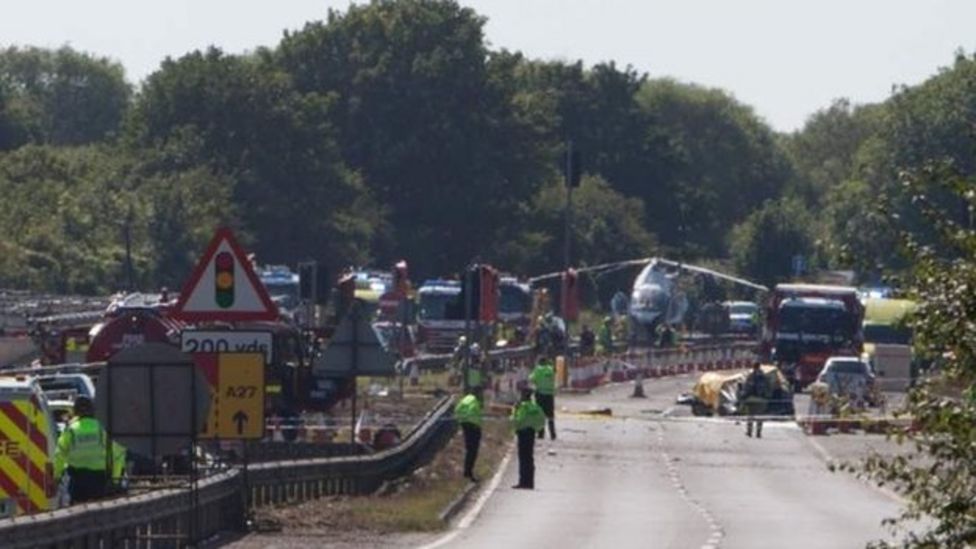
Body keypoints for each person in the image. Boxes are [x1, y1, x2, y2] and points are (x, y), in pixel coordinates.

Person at [54, 396, 126, 503]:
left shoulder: (71, 430)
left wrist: (57, 476)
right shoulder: (102, 429)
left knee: (78, 512)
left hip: (77, 481)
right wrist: (115, 479)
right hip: (99, 480)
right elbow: (119, 454)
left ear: (75, 411)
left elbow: (60, 454)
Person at [510, 388, 546, 489]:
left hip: (522, 433)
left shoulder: (522, 407)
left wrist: (514, 412)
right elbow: (542, 420)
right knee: (529, 458)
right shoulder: (535, 407)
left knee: (523, 458)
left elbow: (518, 420)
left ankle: (523, 482)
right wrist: (537, 429)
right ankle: (530, 482)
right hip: (531, 433)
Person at [454, 390, 484, 482]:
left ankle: (467, 471)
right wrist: (471, 419)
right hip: (473, 427)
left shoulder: (465, 399)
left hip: (465, 425)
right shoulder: (474, 401)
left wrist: (462, 419)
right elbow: (472, 410)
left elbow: (457, 409)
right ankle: (469, 472)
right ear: (477, 393)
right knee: (473, 450)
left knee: (469, 449)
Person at [740, 362, 771, 438]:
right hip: (762, 400)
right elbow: (768, 387)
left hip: (751, 399)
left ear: (753, 367)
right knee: (760, 417)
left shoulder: (751, 376)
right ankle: (758, 433)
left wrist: (743, 396)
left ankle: (749, 432)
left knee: (750, 416)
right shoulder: (764, 376)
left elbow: (747, 388)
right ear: (759, 367)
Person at [529, 358, 557, 440]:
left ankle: (541, 434)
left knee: (540, 414)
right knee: (550, 415)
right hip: (550, 394)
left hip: (540, 394)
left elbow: (531, 379)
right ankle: (553, 434)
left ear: (539, 362)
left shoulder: (538, 370)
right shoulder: (550, 370)